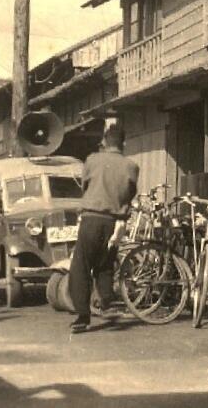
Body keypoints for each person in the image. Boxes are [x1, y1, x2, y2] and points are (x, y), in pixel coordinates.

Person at [68, 124, 139, 333]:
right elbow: (130, 193)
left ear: (105, 142)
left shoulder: (92, 160)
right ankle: (106, 302)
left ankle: (82, 316)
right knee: (106, 262)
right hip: (115, 221)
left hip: (91, 217)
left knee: (81, 266)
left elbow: (85, 186)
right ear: (123, 143)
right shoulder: (132, 166)